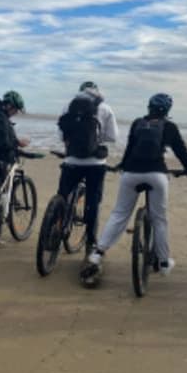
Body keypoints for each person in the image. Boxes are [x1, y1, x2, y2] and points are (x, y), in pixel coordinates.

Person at [85, 93, 187, 278]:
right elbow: (181, 150)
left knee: (120, 213)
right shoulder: (169, 126)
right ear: (167, 110)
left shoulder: (138, 123)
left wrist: (121, 166)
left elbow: (129, 149)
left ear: (148, 107)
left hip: (131, 174)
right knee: (159, 219)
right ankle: (164, 262)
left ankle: (98, 253)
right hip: (156, 174)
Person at [56, 81, 119, 252]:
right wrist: (96, 140)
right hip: (95, 164)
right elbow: (112, 137)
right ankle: (90, 242)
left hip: (71, 161)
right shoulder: (105, 108)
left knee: (62, 197)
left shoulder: (68, 106)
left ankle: (52, 233)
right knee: (92, 202)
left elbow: (61, 133)